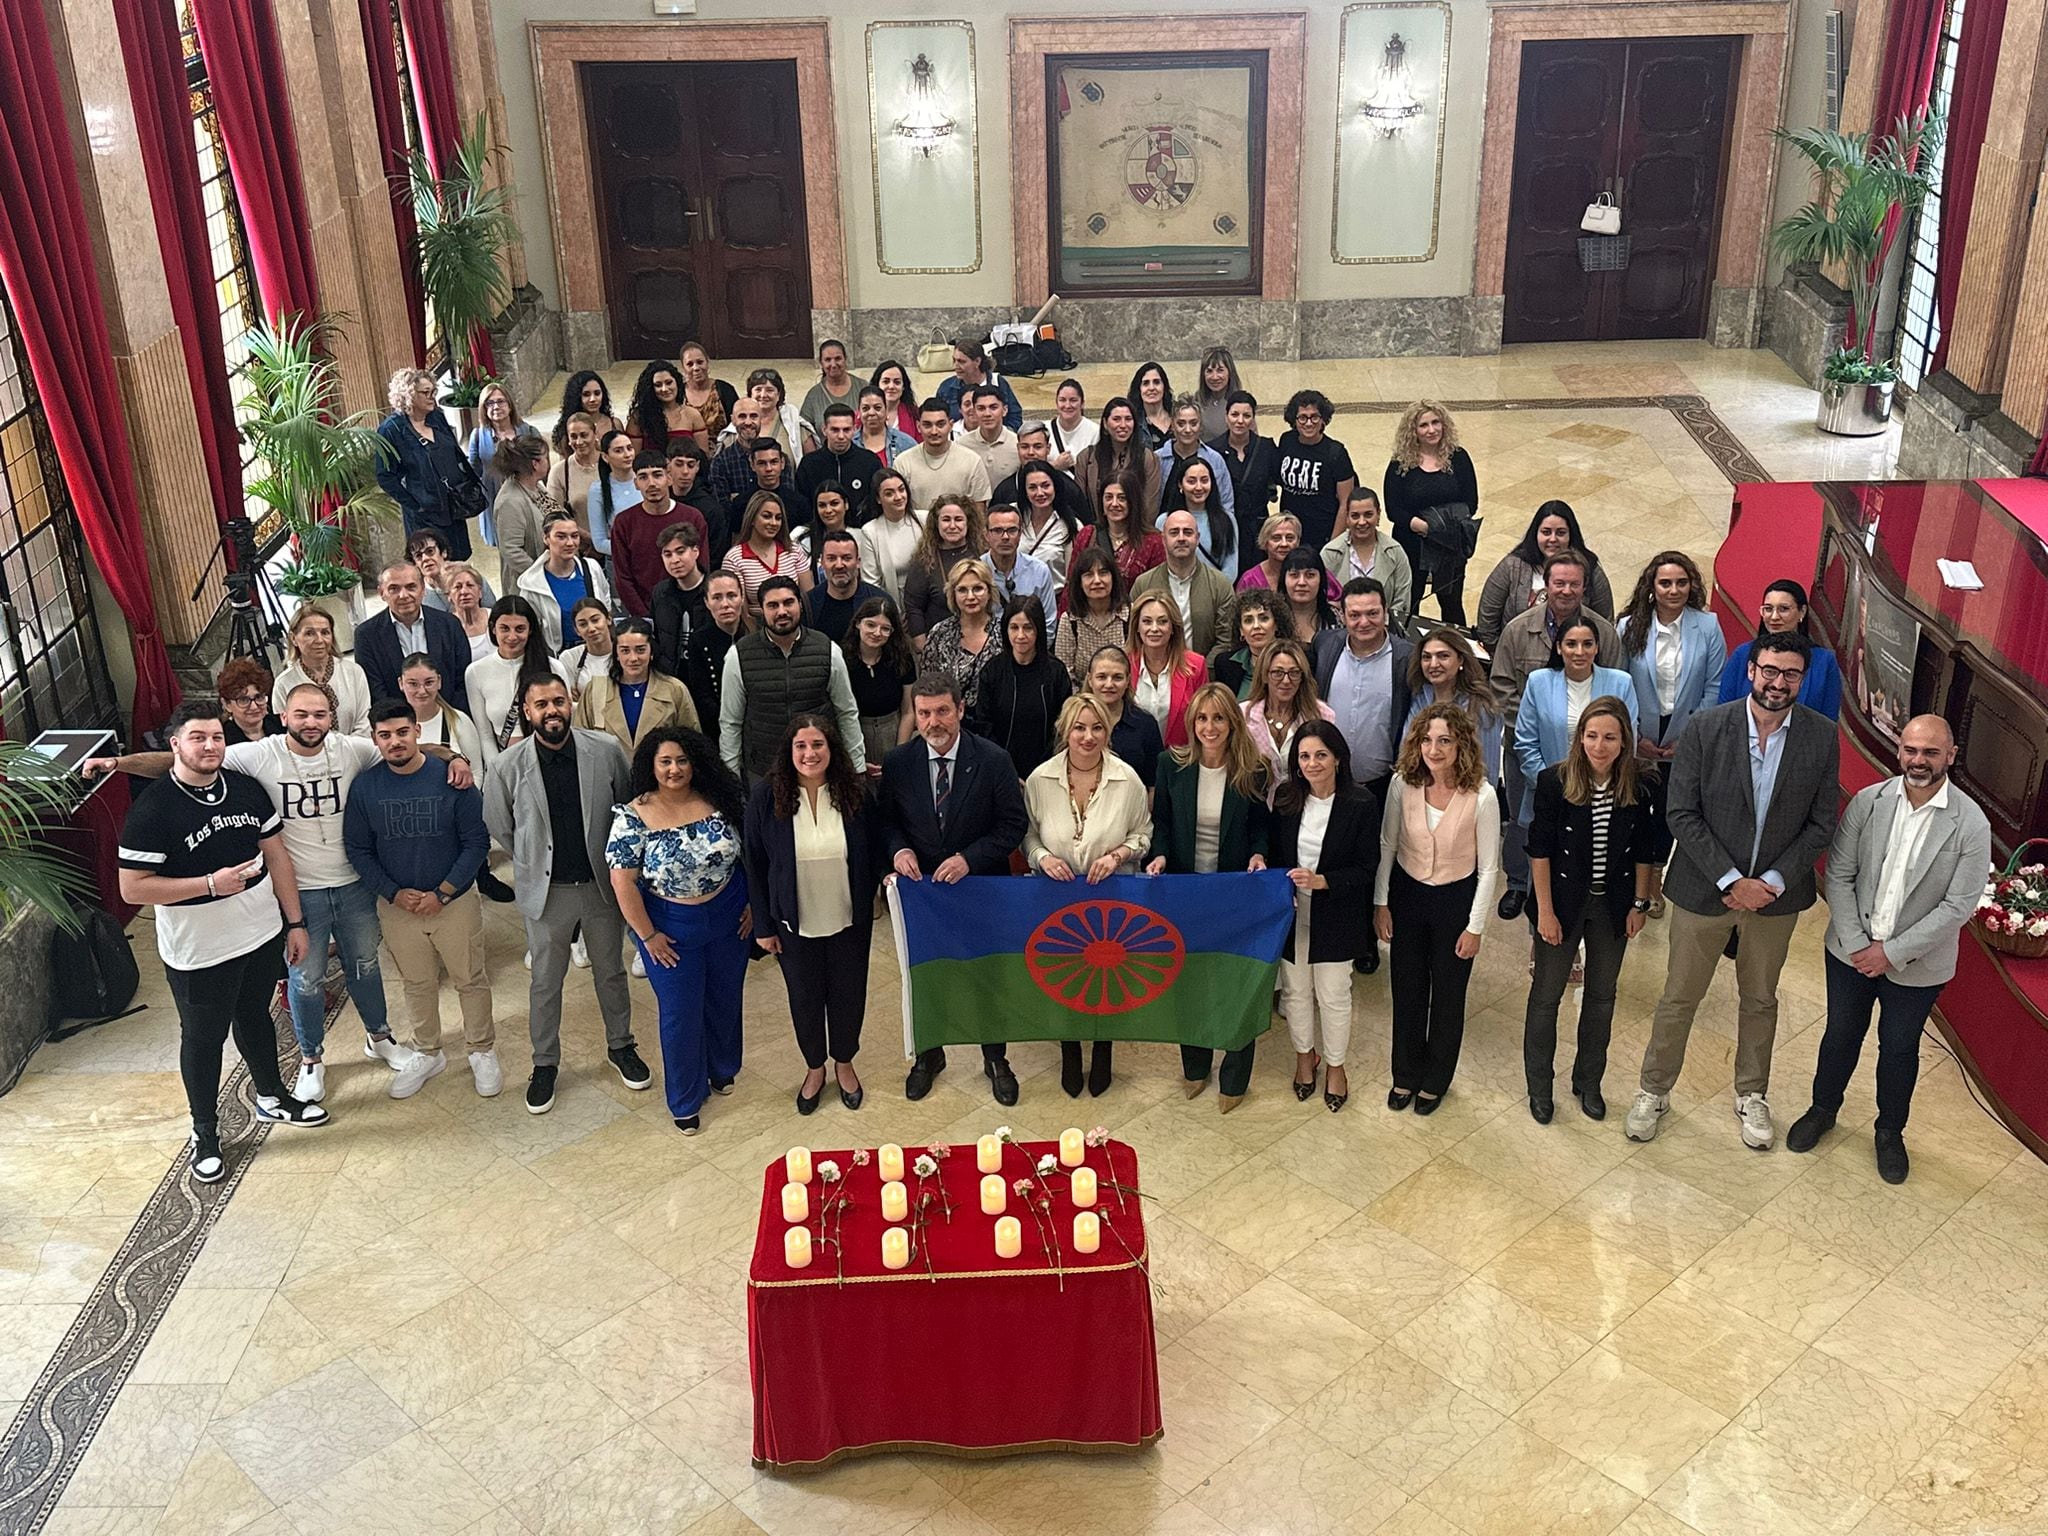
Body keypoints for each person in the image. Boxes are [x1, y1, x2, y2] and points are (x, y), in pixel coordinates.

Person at [1625, 631, 1840, 1150]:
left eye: (1790, 673)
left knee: (1760, 999)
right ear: (1751, 670)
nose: (1778, 682)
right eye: (1770, 670)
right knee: (1679, 997)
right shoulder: (1706, 728)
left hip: (1775, 898)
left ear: (1802, 678)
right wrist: (1731, 880)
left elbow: (1820, 823)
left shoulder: (1821, 735)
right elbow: (1682, 812)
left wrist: (1767, 883)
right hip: (1706, 889)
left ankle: (1751, 1095)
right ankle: (1654, 1090)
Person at [116, 703, 327, 1184]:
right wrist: (209, 884)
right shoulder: (152, 809)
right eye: (198, 738)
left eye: (216, 737)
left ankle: (272, 1096)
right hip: (198, 948)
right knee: (204, 1037)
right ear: (175, 744)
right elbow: (134, 888)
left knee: (255, 1016)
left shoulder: (246, 789)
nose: (209, 746)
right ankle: (205, 1132)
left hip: (256, 931)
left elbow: (278, 856)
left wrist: (294, 922)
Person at [1789, 717, 1991, 1183]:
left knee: (1899, 1048)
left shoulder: (1971, 823)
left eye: (1931, 753)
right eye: (1911, 750)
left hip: (1918, 966)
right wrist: (1861, 945)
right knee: (1840, 1034)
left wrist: (1891, 953)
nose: (1918, 760)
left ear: (1951, 756)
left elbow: (1958, 905)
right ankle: (1822, 1110)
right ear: (1899, 751)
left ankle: (1889, 1133)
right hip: (1850, 951)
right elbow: (1838, 874)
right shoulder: (1868, 802)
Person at [484, 673, 645, 1113]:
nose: (551, 710)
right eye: (541, 704)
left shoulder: (606, 751)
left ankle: (621, 1046)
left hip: (600, 886)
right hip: (547, 892)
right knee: (545, 982)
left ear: (570, 702)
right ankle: (545, 1064)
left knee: (610, 973)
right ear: (527, 710)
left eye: (558, 701)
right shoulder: (506, 766)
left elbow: (628, 807)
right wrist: (532, 861)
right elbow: (500, 825)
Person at [881, 673, 1030, 1103]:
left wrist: (970, 858)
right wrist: (898, 850)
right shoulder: (898, 762)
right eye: (924, 713)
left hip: (982, 888)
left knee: (988, 975)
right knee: (929, 976)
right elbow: (886, 823)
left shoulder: (993, 759)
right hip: (924, 894)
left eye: (942, 711)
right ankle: (929, 1055)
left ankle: (995, 1057)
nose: (933, 722)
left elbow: (1013, 825)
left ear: (961, 710)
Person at [345, 699, 499, 1098]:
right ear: (375, 739)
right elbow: (358, 849)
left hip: (455, 901)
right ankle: (429, 1051)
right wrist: (393, 893)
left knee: (470, 978)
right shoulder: (366, 787)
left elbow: (476, 841)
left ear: (417, 731)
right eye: (385, 735)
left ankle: (481, 1049)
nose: (395, 741)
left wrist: (444, 893)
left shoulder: (453, 779)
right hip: (398, 907)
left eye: (402, 732)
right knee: (416, 983)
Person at [607, 726, 750, 1134]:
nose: (674, 769)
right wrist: (647, 935)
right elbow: (622, 882)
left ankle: (722, 1068)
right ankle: (686, 1098)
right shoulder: (633, 815)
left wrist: (752, 903)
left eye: (682, 760)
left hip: (728, 915)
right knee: (680, 1013)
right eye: (665, 761)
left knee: (725, 997)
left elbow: (751, 853)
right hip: (670, 928)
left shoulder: (720, 798)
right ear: (651, 766)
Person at [1523, 696, 1660, 1124]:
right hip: (1561, 904)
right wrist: (1544, 912)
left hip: (1613, 905)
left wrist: (1640, 902)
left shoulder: (1641, 784)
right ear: (1579, 737)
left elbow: (1645, 850)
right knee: (1546, 997)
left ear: (1624, 742)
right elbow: (1539, 852)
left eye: (1610, 738)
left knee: (1601, 997)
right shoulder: (1554, 781)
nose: (1599, 746)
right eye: (1591, 735)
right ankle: (1539, 1088)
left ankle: (1588, 1082)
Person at [745, 716, 882, 1114]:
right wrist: (764, 926)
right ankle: (814, 1068)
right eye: (801, 746)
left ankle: (844, 1063)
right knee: (804, 999)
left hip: (848, 920)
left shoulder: (855, 793)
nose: (810, 754)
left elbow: (873, 851)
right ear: (788, 753)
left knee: (848, 995)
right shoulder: (766, 798)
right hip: (793, 923)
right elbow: (754, 863)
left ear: (831, 749)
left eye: (817, 744)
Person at [1148, 682, 1271, 1110]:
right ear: (1191, 723)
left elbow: (1261, 827)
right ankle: (1195, 1068)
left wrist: (1259, 853)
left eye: (1218, 717)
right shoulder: (1171, 765)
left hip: (1234, 894)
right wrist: (1160, 855)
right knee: (1191, 982)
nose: (1210, 726)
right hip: (1186, 894)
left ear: (1232, 723)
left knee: (1236, 984)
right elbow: (1160, 823)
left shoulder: (1252, 769)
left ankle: (1235, 1079)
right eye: (1202, 718)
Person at [1024, 691, 1153, 1097]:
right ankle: (1069, 1048)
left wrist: (1118, 854)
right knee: (1065, 976)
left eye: (1097, 727)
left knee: (1105, 976)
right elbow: (1026, 835)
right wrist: (1042, 856)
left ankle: (1103, 1048)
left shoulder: (1127, 778)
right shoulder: (1039, 779)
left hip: (1109, 899)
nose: (1088, 736)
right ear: (1066, 730)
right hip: (1056, 899)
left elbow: (1145, 835)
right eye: (1079, 727)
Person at [1376, 705, 1501, 1114]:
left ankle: (1435, 1080)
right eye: (1428, 739)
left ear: (1461, 744)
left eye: (1444, 740)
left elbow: (1488, 870)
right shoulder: (1402, 784)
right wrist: (1381, 903)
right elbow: (1388, 847)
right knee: (1408, 990)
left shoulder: (1482, 795)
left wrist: (1475, 926)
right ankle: (1405, 1075)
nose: (1434, 748)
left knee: (1448, 996)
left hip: (1455, 902)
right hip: (1408, 897)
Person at [1488, 550, 1623, 919]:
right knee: (1522, 821)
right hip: (1526, 750)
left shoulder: (1604, 634)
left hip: (1594, 758)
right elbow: (1500, 686)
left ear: (1584, 587)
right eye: (1558, 583)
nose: (1566, 590)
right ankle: (1519, 884)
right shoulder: (1518, 629)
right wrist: (1534, 721)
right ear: (1546, 585)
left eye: (1573, 584)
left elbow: (1615, 689)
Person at [1272, 721, 1379, 1113]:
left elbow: (1368, 868)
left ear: (1338, 757)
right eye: (1304, 756)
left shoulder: (1361, 803)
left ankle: (1336, 1066)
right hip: (1292, 914)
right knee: (1296, 991)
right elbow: (1273, 853)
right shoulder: (1287, 798)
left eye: (1321, 754)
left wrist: (1322, 881)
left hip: (1336, 912)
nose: (1313, 763)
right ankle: (1305, 1058)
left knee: (1333, 995)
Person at [1616, 550, 1726, 916]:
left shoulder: (1707, 626)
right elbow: (1621, 685)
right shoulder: (1628, 626)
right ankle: (1635, 878)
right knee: (1635, 807)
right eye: (1665, 583)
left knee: (1669, 811)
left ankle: (1656, 878)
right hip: (1639, 734)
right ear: (1652, 586)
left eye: (1681, 582)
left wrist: (1690, 735)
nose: (1674, 590)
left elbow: (1714, 686)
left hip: (1686, 734)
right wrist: (1633, 735)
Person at [718, 575, 866, 781]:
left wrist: (857, 766)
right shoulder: (738, 656)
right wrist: (731, 777)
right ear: (762, 610)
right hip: (764, 770)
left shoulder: (828, 649)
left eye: (788, 603)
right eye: (773, 605)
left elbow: (846, 712)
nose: (782, 612)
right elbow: (730, 722)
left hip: (819, 766)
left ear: (800, 605)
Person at [1512, 616, 1639, 848]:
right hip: (1552, 797)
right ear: (1559, 648)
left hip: (1605, 797)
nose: (1579, 651)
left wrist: (1598, 789)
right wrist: (1554, 787)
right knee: (1546, 873)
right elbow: (1525, 743)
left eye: (1587, 644)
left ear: (1597, 647)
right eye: (1571, 644)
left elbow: (1628, 743)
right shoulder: (1538, 682)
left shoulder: (1621, 683)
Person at [1313, 578, 1413, 802]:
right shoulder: (1325, 645)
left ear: (1385, 612)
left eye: (1372, 613)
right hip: (1326, 781)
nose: (1364, 622)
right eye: (1355, 615)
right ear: (1342, 615)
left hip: (1380, 786)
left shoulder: (1405, 658)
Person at [1384, 400, 1479, 626]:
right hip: (1413, 542)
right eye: (1423, 425)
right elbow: (1393, 509)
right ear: (1413, 431)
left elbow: (1470, 502)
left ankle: (1457, 648)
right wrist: (1420, 525)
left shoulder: (1459, 458)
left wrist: (1439, 527)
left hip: (1449, 545)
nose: (1431, 430)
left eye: (1436, 422)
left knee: (1451, 602)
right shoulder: (1400, 463)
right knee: (1411, 600)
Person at [463, 595, 575, 774]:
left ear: (530, 629)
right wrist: (498, 770)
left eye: (520, 629)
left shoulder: (553, 667)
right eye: (504, 629)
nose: (512, 636)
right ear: (493, 629)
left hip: (552, 761)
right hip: (506, 764)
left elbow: (569, 720)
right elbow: (484, 734)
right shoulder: (475, 672)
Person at [1477, 501, 1615, 645]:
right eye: (1546, 532)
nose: (1553, 539)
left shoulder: (1591, 569)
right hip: (1518, 658)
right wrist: (1502, 654)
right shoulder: (1511, 566)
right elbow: (1487, 621)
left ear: (1571, 535)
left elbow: (1605, 624)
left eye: (1561, 533)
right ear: (1536, 533)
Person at [378, 367, 477, 559]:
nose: (432, 397)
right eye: (426, 392)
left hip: (453, 506)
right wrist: (415, 504)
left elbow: (454, 452)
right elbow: (385, 476)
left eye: (434, 392)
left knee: (459, 558)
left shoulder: (436, 416)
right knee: (431, 564)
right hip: (423, 515)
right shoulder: (391, 430)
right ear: (408, 395)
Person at [970, 596, 1071, 777]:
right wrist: (1004, 768)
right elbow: (984, 725)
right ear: (1005, 629)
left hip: (1048, 770)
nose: (1020, 635)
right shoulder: (992, 671)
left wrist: (1045, 768)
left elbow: (1063, 725)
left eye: (1028, 628)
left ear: (1038, 629)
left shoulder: (1056, 672)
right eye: (1014, 627)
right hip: (1000, 770)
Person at [1717, 579, 1844, 717]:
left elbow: (1829, 721)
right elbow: (1724, 711)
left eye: (1783, 609)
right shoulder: (1743, 654)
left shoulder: (1825, 661)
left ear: (1802, 612)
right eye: (1768, 609)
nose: (1774, 616)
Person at [576, 616, 700, 756]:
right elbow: (581, 743)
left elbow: (692, 744)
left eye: (640, 650)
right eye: (625, 651)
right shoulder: (595, 690)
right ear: (616, 654)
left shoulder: (674, 689)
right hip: (609, 776)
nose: (633, 658)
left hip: (661, 776)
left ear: (651, 652)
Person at [610, 453, 707, 618]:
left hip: (689, 612)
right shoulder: (623, 522)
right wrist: (645, 617)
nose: (651, 483)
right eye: (643, 477)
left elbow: (703, 567)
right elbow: (623, 578)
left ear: (669, 478)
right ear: (635, 484)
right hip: (644, 614)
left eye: (657, 475)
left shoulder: (693, 517)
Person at [1135, 507, 1239, 658]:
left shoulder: (1220, 585)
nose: (1181, 538)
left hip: (1205, 675)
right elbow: (1134, 635)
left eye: (1188, 532)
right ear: (1163, 540)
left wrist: (1202, 671)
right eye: (1174, 532)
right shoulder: (1143, 584)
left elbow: (1226, 639)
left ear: (1197, 538)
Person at [1406, 627, 1504, 787]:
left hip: (1462, 801)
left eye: (1443, 656)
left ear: (1461, 660)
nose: (1433, 664)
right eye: (1426, 657)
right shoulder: (1418, 697)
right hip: (1416, 793)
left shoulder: (1480, 707)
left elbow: (1487, 773)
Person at [516, 511, 614, 652]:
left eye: (574, 536)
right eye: (561, 537)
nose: (570, 543)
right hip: (560, 656)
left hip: (597, 651)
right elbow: (533, 631)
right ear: (546, 538)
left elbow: (605, 603)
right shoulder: (532, 585)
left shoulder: (591, 568)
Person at [1244, 637, 1334, 791]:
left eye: (1294, 673)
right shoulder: (1242, 715)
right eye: (1277, 673)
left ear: (1302, 677)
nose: (1286, 681)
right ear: (1265, 676)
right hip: (1255, 806)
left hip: (1304, 804)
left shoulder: (1322, 715)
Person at [1273, 389, 1356, 552]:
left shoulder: (1336, 453)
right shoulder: (1287, 441)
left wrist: (1333, 546)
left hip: (1322, 536)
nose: (1309, 423)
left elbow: (1345, 503)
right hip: (1290, 534)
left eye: (1314, 417)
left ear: (1323, 419)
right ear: (1294, 420)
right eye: (1303, 417)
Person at [995, 430, 1086, 579]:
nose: (1040, 493)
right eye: (1032, 487)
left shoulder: (1072, 525)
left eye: (1045, 486)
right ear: (1024, 490)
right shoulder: (1011, 515)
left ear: (1055, 486)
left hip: (1055, 597)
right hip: (1014, 597)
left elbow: (1074, 577)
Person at [1319, 489, 1412, 631]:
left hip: (1385, 633)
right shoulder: (1330, 553)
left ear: (1378, 514)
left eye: (1368, 515)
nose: (1362, 522)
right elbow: (1322, 597)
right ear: (1347, 518)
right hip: (1339, 633)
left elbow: (1402, 601)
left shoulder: (1395, 552)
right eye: (1355, 516)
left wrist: (1384, 627)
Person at [272, 607, 371, 738]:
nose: (319, 640)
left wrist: (344, 751)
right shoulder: (284, 683)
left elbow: (364, 722)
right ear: (293, 638)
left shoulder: (353, 672)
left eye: (325, 632)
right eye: (309, 633)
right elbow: (286, 733)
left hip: (355, 751)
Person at [844, 596, 917, 773]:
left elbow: (908, 711)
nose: (877, 633)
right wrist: (856, 759)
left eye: (885, 629)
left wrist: (899, 753)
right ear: (857, 624)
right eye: (871, 625)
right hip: (856, 735)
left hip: (894, 731)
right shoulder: (842, 658)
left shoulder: (902, 658)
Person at [921, 557, 1003, 713]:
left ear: (989, 591)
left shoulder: (1004, 633)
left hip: (995, 724)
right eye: (962, 590)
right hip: (949, 722)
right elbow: (927, 687)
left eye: (977, 588)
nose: (970, 597)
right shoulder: (939, 633)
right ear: (953, 594)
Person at [1128, 592, 1209, 749]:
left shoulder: (1196, 666)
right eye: (1146, 621)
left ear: (1173, 627)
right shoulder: (1123, 664)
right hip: (1134, 762)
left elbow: (1204, 718)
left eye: (1162, 621)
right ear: (1137, 627)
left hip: (1180, 759)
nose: (1154, 628)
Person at [900, 494, 985, 641]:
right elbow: (913, 607)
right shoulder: (924, 560)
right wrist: (922, 647)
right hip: (938, 645)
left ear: (968, 522)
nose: (952, 526)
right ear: (936, 523)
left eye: (958, 519)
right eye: (946, 520)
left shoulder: (983, 555)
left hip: (981, 640)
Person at [467, 383, 542, 546]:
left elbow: (542, 467)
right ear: (483, 408)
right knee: (505, 547)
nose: (496, 406)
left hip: (526, 498)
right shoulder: (478, 436)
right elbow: (472, 472)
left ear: (510, 404)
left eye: (500, 401)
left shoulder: (529, 431)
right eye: (490, 403)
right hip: (494, 499)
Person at [1211, 389, 1279, 563]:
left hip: (1258, 528)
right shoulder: (1212, 451)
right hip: (1225, 527)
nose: (1240, 421)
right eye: (1234, 414)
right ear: (1226, 417)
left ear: (1253, 419)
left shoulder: (1266, 448)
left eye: (1246, 416)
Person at [721, 490, 813, 617]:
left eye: (778, 518)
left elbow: (808, 599)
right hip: (756, 629)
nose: (774, 523)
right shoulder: (734, 558)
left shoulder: (794, 550)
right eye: (766, 516)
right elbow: (741, 612)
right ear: (752, 519)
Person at [1084, 645, 1164, 789]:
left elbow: (1153, 785)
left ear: (1128, 680)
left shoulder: (1146, 725)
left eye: (1117, 677)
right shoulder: (1073, 722)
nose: (1109, 684)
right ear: (1090, 679)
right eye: (1101, 677)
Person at [898, 398, 993, 515]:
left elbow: (979, 512)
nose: (934, 431)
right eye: (927, 425)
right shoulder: (903, 462)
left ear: (951, 425)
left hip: (959, 531)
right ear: (918, 427)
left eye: (940, 424)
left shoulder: (971, 461)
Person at [492, 434, 561, 596]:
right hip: (528, 586)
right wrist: (543, 574)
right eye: (546, 457)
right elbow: (511, 550)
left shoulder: (537, 486)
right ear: (535, 464)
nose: (548, 461)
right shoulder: (510, 501)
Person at [1052, 545, 1129, 684]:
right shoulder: (1070, 621)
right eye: (1089, 575)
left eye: (1103, 573)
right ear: (1080, 582)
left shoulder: (1130, 615)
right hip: (1082, 700)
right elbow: (1066, 675)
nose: (1097, 580)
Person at [683, 570, 749, 732]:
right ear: (707, 602)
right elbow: (702, 695)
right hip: (716, 727)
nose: (725, 604)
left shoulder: (756, 634)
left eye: (732, 595)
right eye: (717, 597)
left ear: (742, 597)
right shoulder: (698, 641)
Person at [398, 652, 486, 773]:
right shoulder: (393, 725)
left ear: (439, 681)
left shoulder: (459, 720)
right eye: (413, 684)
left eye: (429, 683)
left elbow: (476, 772)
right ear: (401, 683)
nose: (422, 691)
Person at [1156, 396, 1235, 527]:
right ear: (1172, 424)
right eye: (1181, 423)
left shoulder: (1215, 460)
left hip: (1207, 534)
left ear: (1200, 425)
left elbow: (1226, 505)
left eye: (1193, 423)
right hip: (1164, 533)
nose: (1187, 430)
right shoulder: (1158, 459)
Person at [1075, 398, 1163, 515]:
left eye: (1128, 419)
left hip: (1136, 530)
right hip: (1098, 529)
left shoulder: (1148, 458)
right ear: (1105, 424)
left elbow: (1150, 506)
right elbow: (1080, 504)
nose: (1123, 425)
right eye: (1116, 419)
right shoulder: (1085, 458)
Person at [1073, 477, 1165, 586]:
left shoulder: (1153, 542)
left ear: (1133, 502)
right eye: (1108, 497)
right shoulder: (1087, 535)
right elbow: (1072, 582)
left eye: (1122, 498)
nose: (1114, 503)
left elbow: (1157, 589)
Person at [855, 467, 925, 609]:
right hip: (893, 608)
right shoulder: (870, 531)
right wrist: (893, 614)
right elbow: (871, 583)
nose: (898, 497)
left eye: (901, 489)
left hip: (928, 606)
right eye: (889, 493)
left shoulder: (926, 519)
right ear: (878, 499)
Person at [1164, 456, 1237, 587]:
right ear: (1180, 484)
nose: (1199, 487)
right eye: (1191, 481)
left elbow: (1230, 569)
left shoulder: (1227, 519)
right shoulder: (1164, 521)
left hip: (1215, 594)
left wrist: (1210, 592)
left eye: (1204, 480)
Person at [796, 401, 883, 511]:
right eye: (835, 430)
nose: (841, 436)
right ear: (824, 430)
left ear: (854, 429)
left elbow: (876, 502)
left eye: (846, 430)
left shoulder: (870, 462)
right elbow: (803, 506)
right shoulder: (809, 465)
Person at [650, 522, 711, 676]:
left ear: (696, 551)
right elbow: (657, 637)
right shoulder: (660, 593)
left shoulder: (714, 589)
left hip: (707, 676)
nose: (674, 560)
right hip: (672, 678)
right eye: (667, 554)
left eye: (680, 551)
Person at [1208, 588, 1291, 701]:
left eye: (1264, 618)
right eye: (1248, 620)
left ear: (1276, 624)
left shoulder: (1298, 660)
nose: (1256, 626)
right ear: (1241, 630)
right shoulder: (1225, 665)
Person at [981, 503, 1060, 619]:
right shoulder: (976, 571)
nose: (1005, 537)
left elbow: (1048, 621)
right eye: (997, 530)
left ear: (1020, 534)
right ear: (986, 535)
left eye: (1012, 530)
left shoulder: (1039, 571)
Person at [807, 528, 886, 642]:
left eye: (846, 558)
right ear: (822, 563)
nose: (839, 565)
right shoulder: (809, 605)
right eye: (831, 558)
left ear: (858, 562)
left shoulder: (880, 601)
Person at [1236, 513, 1336, 602]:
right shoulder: (1250, 579)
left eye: (1290, 538)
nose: (1284, 544)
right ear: (1265, 542)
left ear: (1298, 542)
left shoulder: (1314, 571)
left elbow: (1338, 602)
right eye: (1276, 538)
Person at [545, 413, 606, 547]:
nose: (579, 442)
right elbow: (554, 516)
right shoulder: (559, 472)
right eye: (573, 436)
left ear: (595, 434)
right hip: (579, 548)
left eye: (584, 435)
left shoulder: (611, 464)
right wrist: (590, 541)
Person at [667, 439, 729, 564]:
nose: (685, 471)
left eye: (690, 465)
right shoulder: (660, 500)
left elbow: (716, 554)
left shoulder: (711, 509)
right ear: (668, 465)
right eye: (679, 464)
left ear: (697, 467)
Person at [627, 359, 708, 455]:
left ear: (677, 383)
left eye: (669, 382)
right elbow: (633, 459)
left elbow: (703, 456)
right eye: (658, 385)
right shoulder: (639, 417)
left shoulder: (693, 415)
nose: (664, 389)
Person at [937, 339, 1021, 430]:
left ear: (977, 361)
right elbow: (936, 417)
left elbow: (1015, 417)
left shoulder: (999, 383)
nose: (955, 366)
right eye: (954, 360)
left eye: (961, 361)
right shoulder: (947, 388)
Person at [411, 529, 495, 615]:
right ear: (415, 564)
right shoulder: (419, 593)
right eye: (418, 556)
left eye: (430, 551)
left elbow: (493, 611)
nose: (425, 559)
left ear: (444, 552)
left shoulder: (469, 576)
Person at [588, 428, 642, 559]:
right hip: (620, 561)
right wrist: (630, 550)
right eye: (618, 451)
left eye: (629, 448)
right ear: (605, 457)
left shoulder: (645, 480)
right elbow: (599, 542)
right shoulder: (598, 490)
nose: (627, 454)